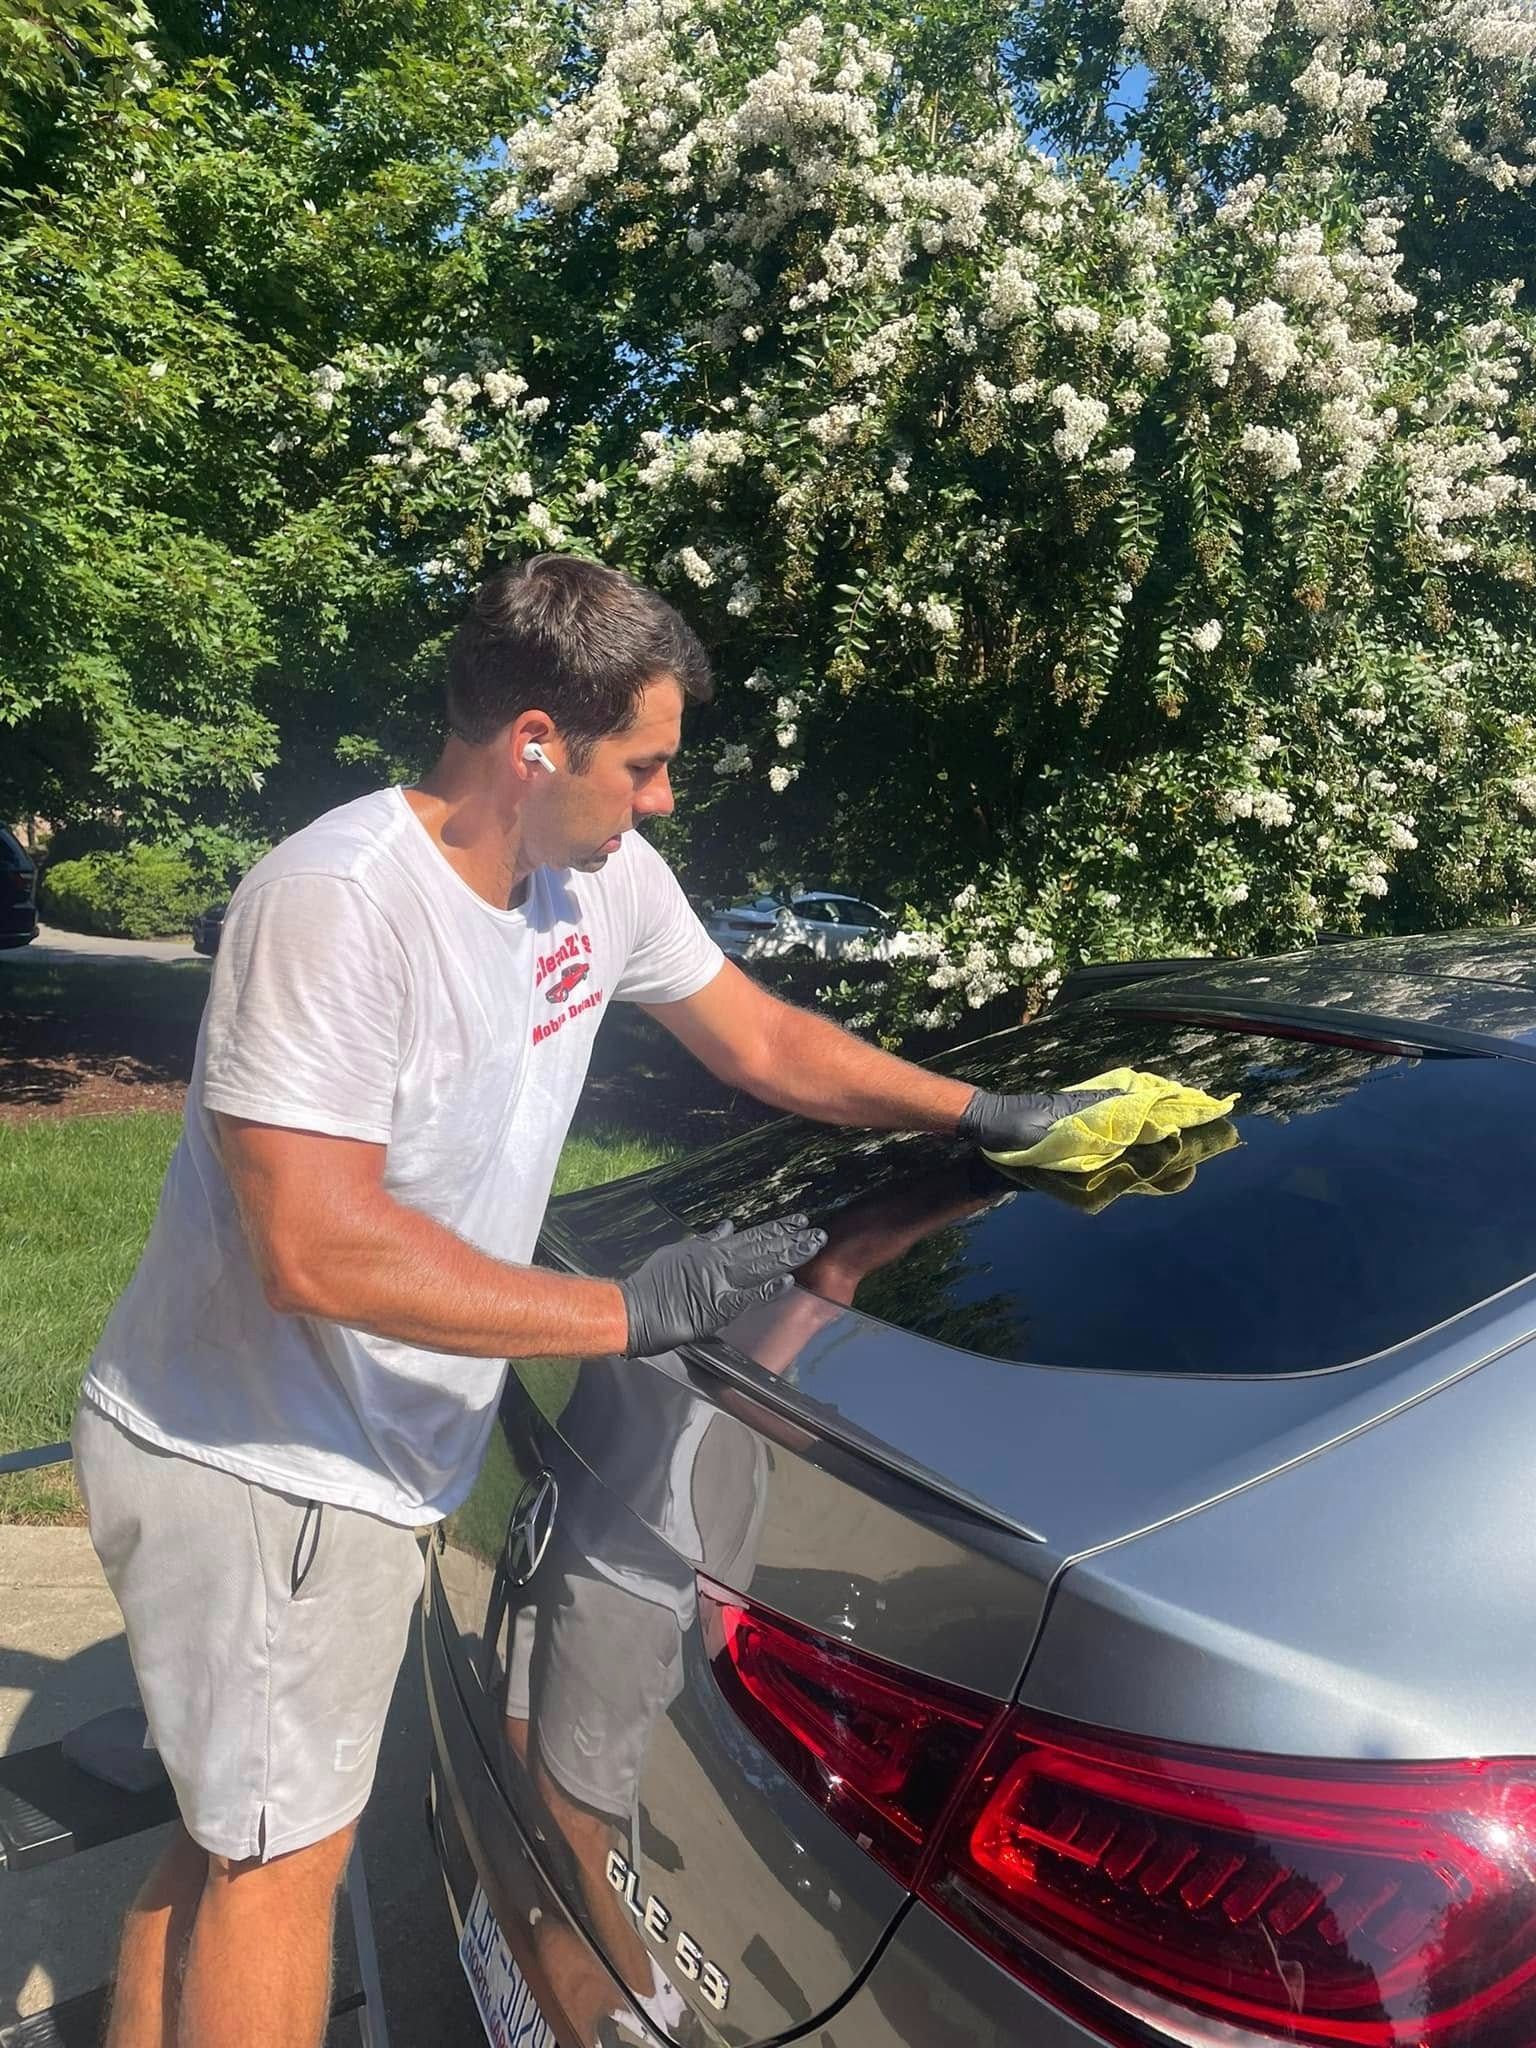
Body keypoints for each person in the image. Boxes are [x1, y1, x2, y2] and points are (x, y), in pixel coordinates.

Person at [70, 554, 1096, 2048]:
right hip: (263, 1470)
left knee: (227, 1836)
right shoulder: (340, 904)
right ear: (536, 742)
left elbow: (761, 1041)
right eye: (647, 763)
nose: (666, 797)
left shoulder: (598, 878)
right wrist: (629, 1310)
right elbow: (317, 1246)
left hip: (350, 1461)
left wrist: (983, 1110)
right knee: (281, 1871)